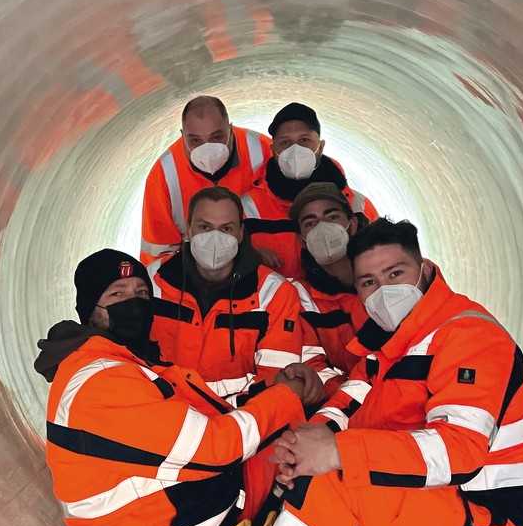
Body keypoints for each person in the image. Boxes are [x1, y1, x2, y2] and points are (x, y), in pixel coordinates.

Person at [156, 219, 523, 526]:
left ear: (422, 271)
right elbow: (344, 407)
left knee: (336, 476)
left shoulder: (467, 335)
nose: (383, 290)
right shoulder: (386, 351)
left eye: (395, 274)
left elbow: (459, 451)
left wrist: (334, 453)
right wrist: (299, 450)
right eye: (368, 282)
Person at [34, 248, 322, 526]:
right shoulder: (102, 381)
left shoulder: (123, 364)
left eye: (140, 292)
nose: (133, 304)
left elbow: (196, 415)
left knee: (294, 460)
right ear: (89, 310)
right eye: (116, 295)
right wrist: (286, 399)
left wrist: (271, 397)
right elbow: (216, 448)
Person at [148, 185, 326, 408]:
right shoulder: (153, 280)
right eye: (205, 227)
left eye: (226, 229)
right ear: (189, 231)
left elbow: (275, 383)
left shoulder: (274, 294)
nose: (215, 238)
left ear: (241, 233)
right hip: (161, 411)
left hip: (237, 419)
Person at [242, 102, 378, 278]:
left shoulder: (357, 205)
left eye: (304, 140)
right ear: (273, 150)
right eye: (285, 143)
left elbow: (381, 259)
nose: (295, 149)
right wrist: (249, 255)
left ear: (320, 147)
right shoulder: (247, 207)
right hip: (278, 303)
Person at [140, 96, 272, 265]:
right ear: (183, 135)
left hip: (262, 261)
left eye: (217, 137)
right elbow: (158, 253)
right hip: (195, 271)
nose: (207, 148)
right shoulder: (164, 175)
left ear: (230, 129)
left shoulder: (261, 150)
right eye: (195, 140)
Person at [289, 182, 368, 384]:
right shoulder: (302, 297)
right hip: (355, 402)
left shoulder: (391, 271)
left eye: (332, 217)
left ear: (353, 224)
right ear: (302, 240)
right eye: (310, 223)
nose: (322, 228)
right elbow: (314, 366)